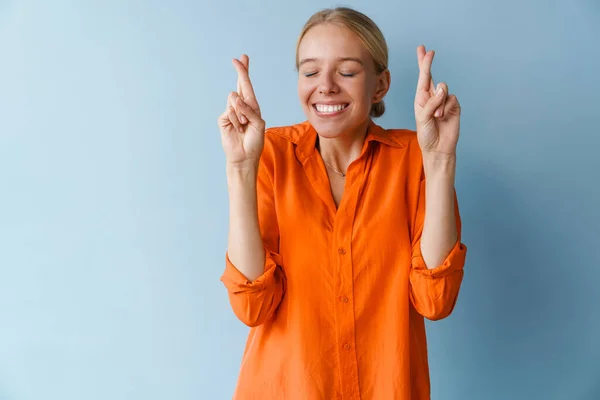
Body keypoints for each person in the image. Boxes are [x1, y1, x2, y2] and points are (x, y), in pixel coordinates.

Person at [218, 6, 467, 400]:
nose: (326, 86)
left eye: (347, 72)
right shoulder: (269, 155)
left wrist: (440, 161)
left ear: (380, 85)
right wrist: (240, 168)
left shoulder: (414, 158)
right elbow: (252, 307)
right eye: (310, 71)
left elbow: (434, 300)